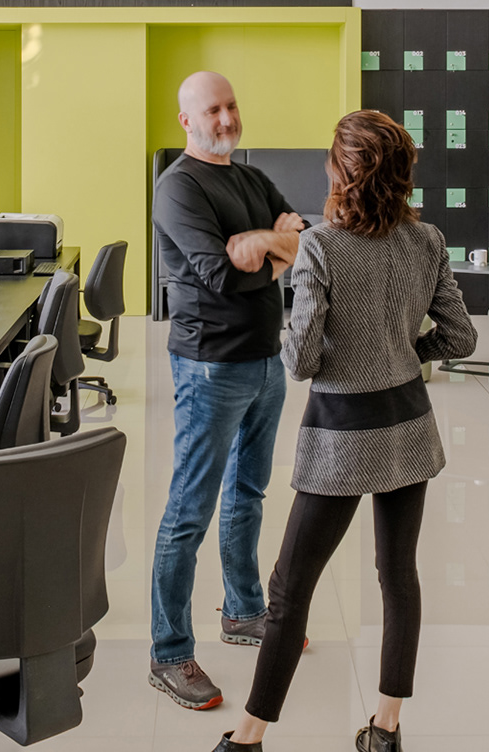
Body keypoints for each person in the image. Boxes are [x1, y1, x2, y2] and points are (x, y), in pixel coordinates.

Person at [214, 110, 475, 752]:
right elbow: (461, 337)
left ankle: (247, 738)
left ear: (343, 173)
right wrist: (403, 354)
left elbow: (302, 361)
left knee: (289, 590)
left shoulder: (322, 247)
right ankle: (385, 730)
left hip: (340, 440)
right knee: (398, 577)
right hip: (409, 429)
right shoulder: (428, 240)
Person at [149, 71, 305, 711]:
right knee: (189, 509)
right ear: (186, 120)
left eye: (231, 105)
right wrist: (275, 248)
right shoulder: (178, 188)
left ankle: (242, 611)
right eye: (212, 109)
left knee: (249, 493)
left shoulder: (250, 177)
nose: (226, 118)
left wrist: (265, 244)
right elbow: (218, 274)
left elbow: (299, 237)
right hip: (210, 367)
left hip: (267, 361)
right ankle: (169, 653)